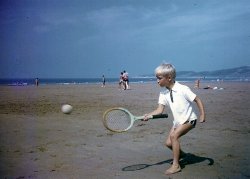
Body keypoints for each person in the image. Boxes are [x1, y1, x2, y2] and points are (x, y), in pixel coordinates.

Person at [143, 63, 205, 175]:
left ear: (169, 78)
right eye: (156, 78)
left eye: (159, 78)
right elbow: (159, 110)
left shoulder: (182, 89)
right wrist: (149, 115)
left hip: (189, 120)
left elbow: (198, 100)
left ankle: (176, 165)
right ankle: (181, 154)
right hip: (177, 122)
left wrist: (202, 115)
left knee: (173, 136)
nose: (157, 81)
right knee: (168, 143)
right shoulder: (163, 92)